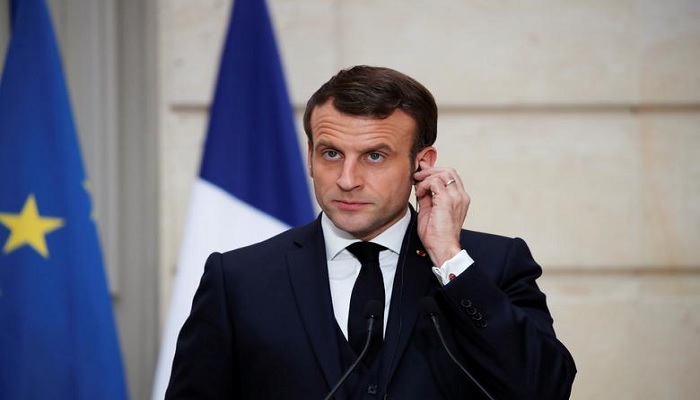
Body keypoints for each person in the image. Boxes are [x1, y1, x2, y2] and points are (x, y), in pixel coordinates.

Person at [165, 65, 576, 399]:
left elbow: (547, 388)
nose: (347, 179)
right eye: (331, 153)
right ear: (309, 157)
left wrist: (450, 260)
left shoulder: (490, 265)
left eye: (374, 156)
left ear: (422, 163)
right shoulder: (239, 279)